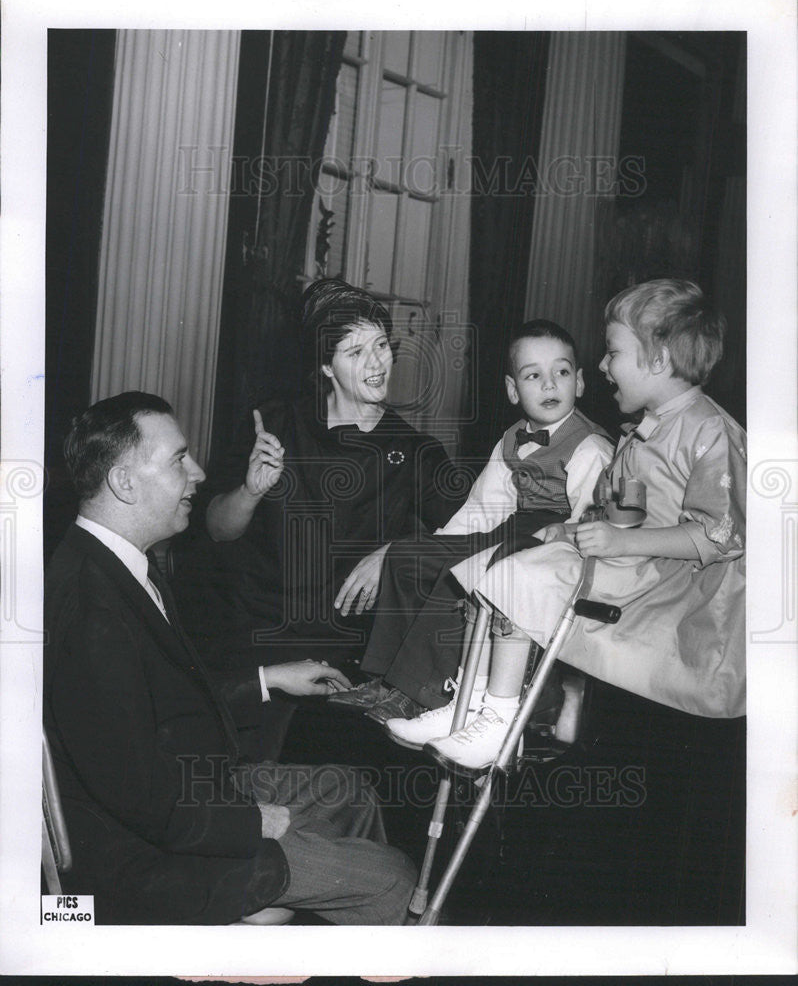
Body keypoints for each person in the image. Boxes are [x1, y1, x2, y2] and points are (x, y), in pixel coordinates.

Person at [44, 392, 416, 924]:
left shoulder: (119, 565)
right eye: (178, 459)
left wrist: (269, 678)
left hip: (188, 792)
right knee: (395, 878)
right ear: (124, 482)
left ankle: (312, 921)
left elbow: (156, 704)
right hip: (142, 861)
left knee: (348, 792)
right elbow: (138, 799)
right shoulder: (89, 609)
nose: (197, 472)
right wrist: (252, 822)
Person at [424, 279, 746, 772]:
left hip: (674, 586)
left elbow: (720, 535)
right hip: (632, 560)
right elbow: (627, 508)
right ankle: (470, 706)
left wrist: (619, 538)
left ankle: (500, 718)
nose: (600, 366)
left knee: (520, 577)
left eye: (613, 352)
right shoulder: (647, 428)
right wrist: (571, 530)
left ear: (658, 360)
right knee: (501, 566)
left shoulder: (708, 431)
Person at [173, 279, 460, 752]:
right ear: (326, 365)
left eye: (382, 345)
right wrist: (249, 490)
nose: (376, 363)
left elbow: (472, 533)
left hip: (344, 652)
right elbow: (217, 530)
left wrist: (397, 551)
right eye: (354, 352)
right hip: (256, 631)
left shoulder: (416, 454)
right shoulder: (275, 422)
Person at [328, 321, 614, 743]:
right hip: (505, 529)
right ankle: (386, 680)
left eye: (562, 372)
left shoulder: (590, 446)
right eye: (534, 375)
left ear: (581, 381)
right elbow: (484, 506)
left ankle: (425, 693)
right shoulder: (511, 440)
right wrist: (439, 544)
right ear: (513, 390)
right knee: (407, 557)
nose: (550, 384)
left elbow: (585, 527)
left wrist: (466, 556)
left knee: (463, 576)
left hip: (546, 543)